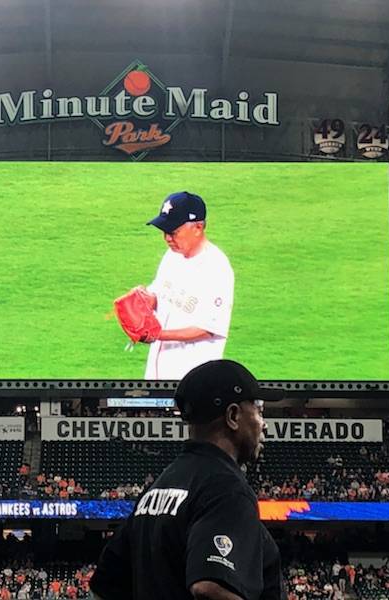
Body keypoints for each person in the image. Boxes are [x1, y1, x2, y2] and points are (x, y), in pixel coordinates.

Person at [90, 359, 284, 600]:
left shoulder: (159, 486)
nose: (263, 423)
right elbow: (210, 588)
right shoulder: (226, 488)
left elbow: (103, 588)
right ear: (233, 416)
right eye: (258, 410)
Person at [131, 192, 234, 380]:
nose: (167, 238)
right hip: (157, 377)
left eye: (173, 231)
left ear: (198, 227)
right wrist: (144, 299)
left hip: (193, 380)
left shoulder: (216, 267)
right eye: (164, 231)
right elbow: (160, 299)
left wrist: (158, 334)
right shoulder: (172, 256)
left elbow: (208, 328)